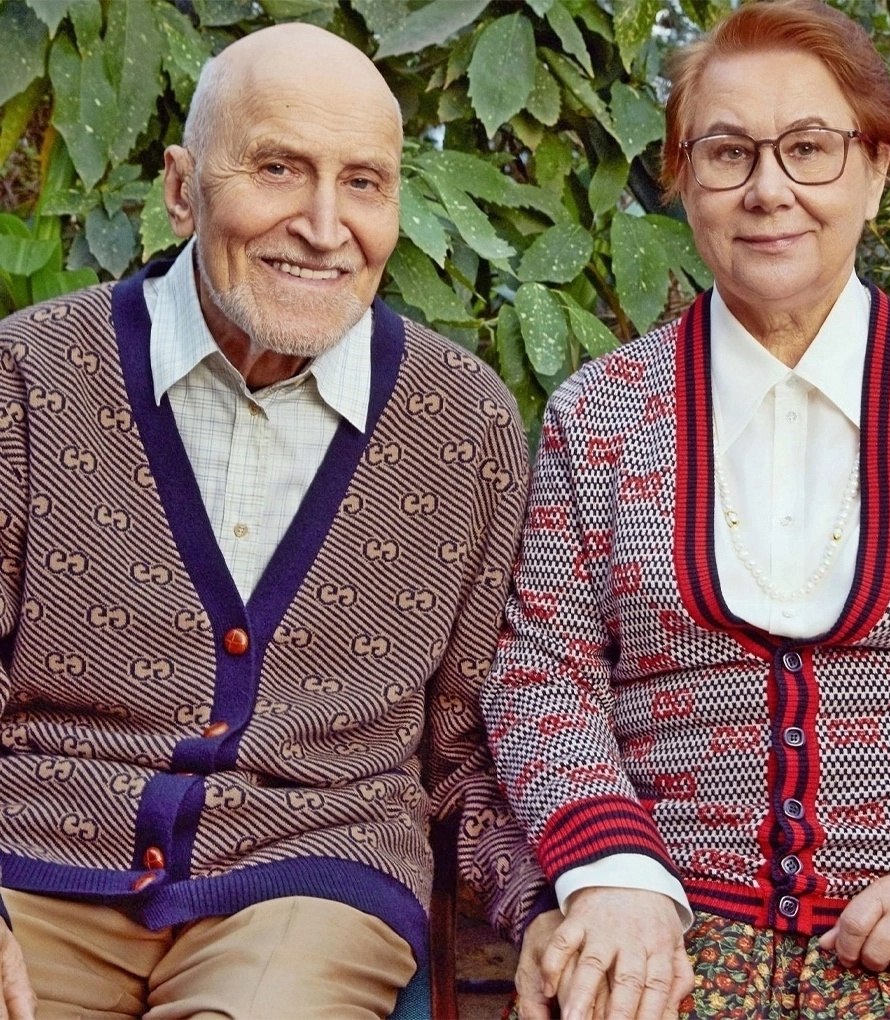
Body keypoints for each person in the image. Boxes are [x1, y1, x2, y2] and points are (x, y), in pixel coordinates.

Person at [0, 22, 548, 1020]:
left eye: (364, 183)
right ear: (181, 189)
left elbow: (468, 746)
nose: (325, 226)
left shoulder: (461, 421)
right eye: (279, 169)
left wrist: (548, 904)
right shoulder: (27, 374)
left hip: (309, 885)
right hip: (32, 867)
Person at [483, 1, 890, 1017]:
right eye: (728, 153)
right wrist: (615, 877)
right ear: (683, 180)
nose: (769, 189)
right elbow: (542, 672)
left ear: (876, 169)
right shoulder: (599, 413)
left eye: (810, 148)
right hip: (665, 932)